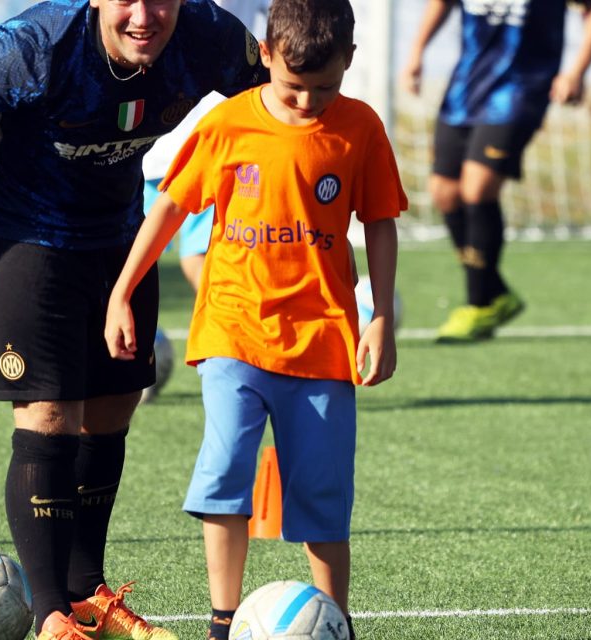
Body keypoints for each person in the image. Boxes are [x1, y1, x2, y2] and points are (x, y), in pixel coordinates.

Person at [0, 0, 266, 638]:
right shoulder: (33, 47)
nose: (145, 15)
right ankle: (52, 612)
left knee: (113, 405)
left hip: (115, 230)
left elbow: (278, 106)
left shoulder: (211, 36)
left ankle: (87, 592)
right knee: (50, 412)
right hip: (16, 225)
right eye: (127, 0)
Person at [103, 1, 406, 637]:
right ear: (265, 57)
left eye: (325, 87)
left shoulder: (361, 130)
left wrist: (380, 316)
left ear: (349, 62)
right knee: (224, 474)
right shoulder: (227, 124)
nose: (308, 102)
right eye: (294, 86)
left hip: (324, 340)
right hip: (232, 333)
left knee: (322, 496)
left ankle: (336, 621)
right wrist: (123, 288)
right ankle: (222, 619)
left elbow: (378, 221)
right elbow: (170, 208)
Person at [402, 0, 591, 343]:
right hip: (466, 86)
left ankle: (479, 302)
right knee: (444, 191)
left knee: (477, 187)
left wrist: (576, 71)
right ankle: (496, 293)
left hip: (520, 90)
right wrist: (416, 51)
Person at [141, 0, 271, 291]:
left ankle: (228, 326)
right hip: (198, 140)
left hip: (173, 142)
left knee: (140, 251)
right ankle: (232, 324)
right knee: (192, 253)